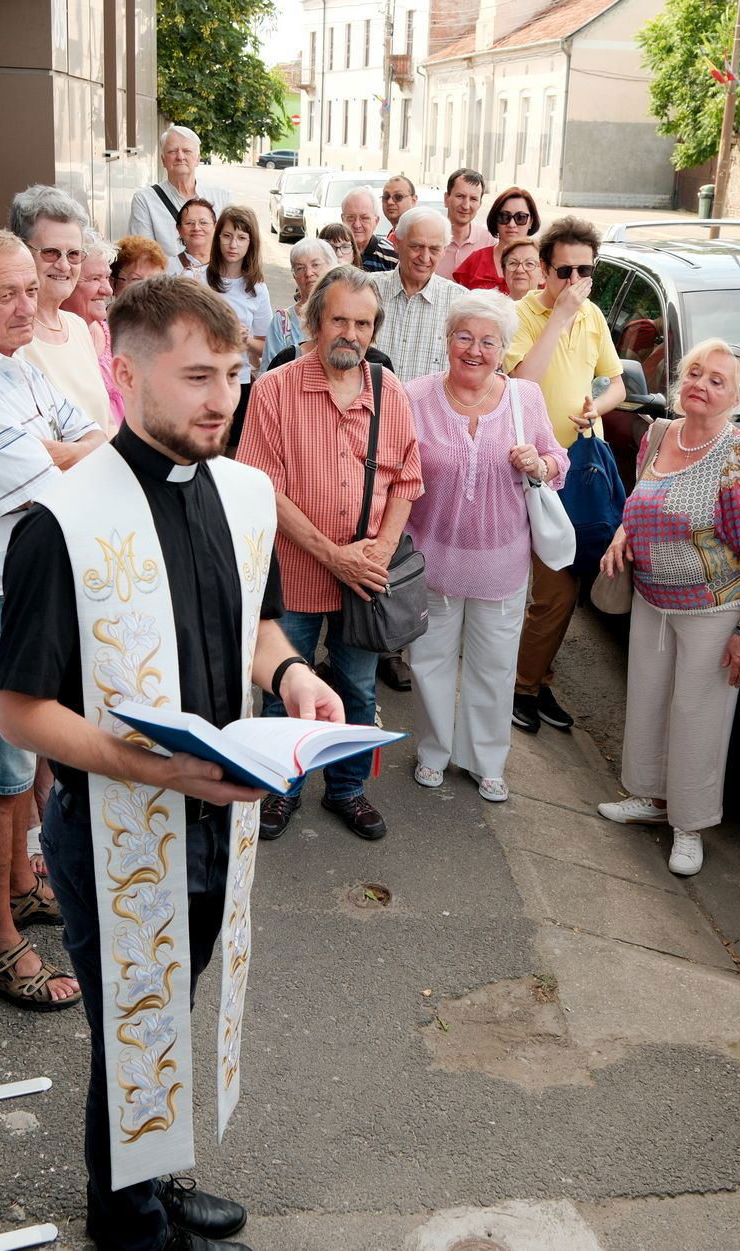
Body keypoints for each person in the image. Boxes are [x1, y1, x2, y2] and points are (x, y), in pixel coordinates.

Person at [0, 275, 343, 1251]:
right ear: (123, 373)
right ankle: (129, 1224)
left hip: (212, 811)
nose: (220, 399)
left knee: (167, 1008)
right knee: (129, 1024)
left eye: (231, 375)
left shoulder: (241, 494)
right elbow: (19, 712)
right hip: (112, 826)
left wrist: (292, 678)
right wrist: (149, 772)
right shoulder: (61, 521)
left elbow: (260, 628)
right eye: (195, 376)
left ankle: (148, 1181)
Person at [0, 223, 105, 1011]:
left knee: (25, 761)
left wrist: (57, 448)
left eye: (30, 288)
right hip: (1, 599)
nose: (26, 305)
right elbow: (48, 477)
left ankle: (20, 885)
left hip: (36, 589)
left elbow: (92, 436)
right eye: (6, 293)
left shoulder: (12, 363)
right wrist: (59, 450)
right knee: (0, 778)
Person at [238, 267, 424, 841]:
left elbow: (407, 480)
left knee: (358, 689)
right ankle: (278, 789)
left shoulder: (388, 389)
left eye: (362, 323)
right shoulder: (275, 388)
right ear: (316, 323)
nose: (350, 332)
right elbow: (262, 486)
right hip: (293, 574)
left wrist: (379, 554)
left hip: (363, 582)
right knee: (282, 687)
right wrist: (332, 554)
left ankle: (346, 790)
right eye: (339, 319)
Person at [596, 342, 740, 875]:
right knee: (649, 700)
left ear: (737, 394)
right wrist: (621, 536)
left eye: (717, 380)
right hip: (652, 597)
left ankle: (690, 825)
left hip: (713, 611)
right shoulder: (659, 434)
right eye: (695, 372)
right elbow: (642, 503)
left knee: (698, 716)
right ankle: (650, 800)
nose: (701, 384)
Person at [404, 291, 568, 801]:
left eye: (488, 342)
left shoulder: (525, 399)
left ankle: (485, 758)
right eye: (464, 337)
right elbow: (394, 472)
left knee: (494, 667)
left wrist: (539, 467)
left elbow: (556, 459)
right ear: (447, 340)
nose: (474, 350)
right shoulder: (414, 397)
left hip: (502, 563)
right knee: (428, 662)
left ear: (503, 348)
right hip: (431, 559)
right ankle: (433, 750)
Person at [504, 215, 625, 737]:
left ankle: (533, 679)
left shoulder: (593, 315)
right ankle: (519, 685)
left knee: (562, 585)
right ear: (544, 272)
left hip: (573, 470)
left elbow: (617, 383)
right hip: (521, 470)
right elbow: (520, 381)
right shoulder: (522, 314)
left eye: (585, 271)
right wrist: (561, 313)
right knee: (529, 589)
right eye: (564, 271)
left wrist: (595, 405)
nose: (575, 282)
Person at [7, 185, 110, 432]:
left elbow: (106, 422)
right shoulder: (12, 338)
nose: (64, 265)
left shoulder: (78, 327)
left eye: (74, 254)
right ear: (21, 251)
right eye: (51, 253)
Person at [367, 207, 465, 385]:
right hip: (370, 409)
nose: (425, 257)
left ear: (444, 251)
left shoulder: (460, 303)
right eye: (416, 246)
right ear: (396, 243)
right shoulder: (366, 290)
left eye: (434, 249)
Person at [207, 205, 272, 443]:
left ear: (251, 243)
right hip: (203, 377)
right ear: (217, 238)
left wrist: (245, 340)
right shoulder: (197, 278)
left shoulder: (257, 290)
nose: (233, 245)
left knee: (234, 451)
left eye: (241, 238)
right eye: (227, 236)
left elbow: (266, 347)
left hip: (239, 381)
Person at [126, 123, 232, 265]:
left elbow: (233, 246)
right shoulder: (145, 200)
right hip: (168, 285)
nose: (180, 156)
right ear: (163, 160)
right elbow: (142, 256)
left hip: (214, 284)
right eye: (172, 151)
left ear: (198, 159)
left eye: (187, 151)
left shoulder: (222, 198)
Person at [64, 228, 121, 430]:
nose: (108, 290)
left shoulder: (115, 336)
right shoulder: (54, 345)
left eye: (107, 277)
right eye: (95, 279)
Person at [451, 187, 539, 292]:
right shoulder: (476, 261)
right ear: (495, 220)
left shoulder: (543, 264)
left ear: (531, 221)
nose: (511, 224)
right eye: (504, 217)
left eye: (520, 217)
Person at [266, 237, 331, 365]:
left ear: (330, 267)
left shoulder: (344, 315)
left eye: (315, 265)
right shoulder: (282, 322)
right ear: (294, 276)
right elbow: (268, 373)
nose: (309, 273)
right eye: (300, 268)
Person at [437, 167, 494, 281]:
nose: (466, 205)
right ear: (446, 198)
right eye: (460, 196)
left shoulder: (490, 242)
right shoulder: (429, 238)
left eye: (473, 199)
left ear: (480, 204)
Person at [341, 186, 396, 272]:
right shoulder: (329, 253)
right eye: (351, 217)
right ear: (343, 219)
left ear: (376, 221)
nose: (357, 225)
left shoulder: (392, 256)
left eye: (364, 218)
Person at [167, 197, 217, 276]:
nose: (196, 228)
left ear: (215, 227)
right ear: (179, 229)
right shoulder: (167, 268)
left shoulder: (228, 266)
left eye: (203, 222)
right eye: (189, 223)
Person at [499, 237, 542, 302]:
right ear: (504, 272)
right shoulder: (493, 309)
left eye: (529, 263)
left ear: (544, 275)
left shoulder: (555, 310)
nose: (520, 270)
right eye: (513, 263)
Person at [380, 173, 417, 244]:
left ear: (413, 200)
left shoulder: (419, 235)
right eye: (386, 196)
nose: (390, 202)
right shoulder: (393, 234)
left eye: (398, 197)